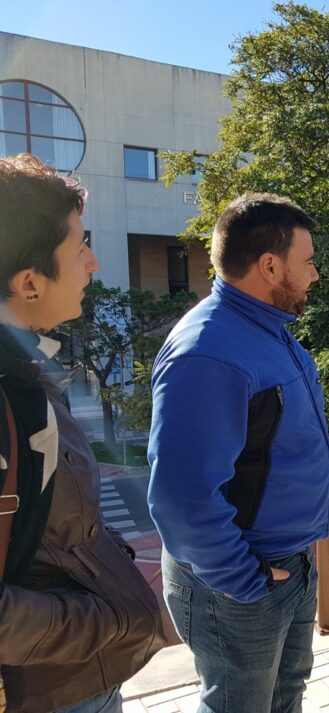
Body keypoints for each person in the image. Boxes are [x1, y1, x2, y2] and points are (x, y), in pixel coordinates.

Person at [147, 192, 329, 713]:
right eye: (307, 262)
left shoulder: (268, 332)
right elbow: (181, 498)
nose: (315, 275)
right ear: (270, 266)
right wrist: (244, 581)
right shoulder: (209, 352)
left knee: (285, 697)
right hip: (241, 582)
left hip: (288, 567)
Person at [0, 154, 166, 713]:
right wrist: (119, 618)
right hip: (46, 690)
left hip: (74, 676)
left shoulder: (25, 366)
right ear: (27, 282)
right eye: (77, 248)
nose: (93, 263)